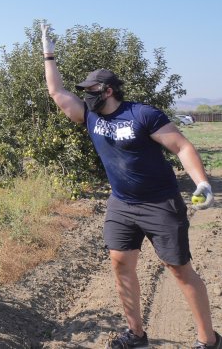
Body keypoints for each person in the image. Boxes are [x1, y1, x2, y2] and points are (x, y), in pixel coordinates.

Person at [40, 22, 219, 349]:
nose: (85, 95)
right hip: (122, 204)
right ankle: (136, 334)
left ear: (108, 91)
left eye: (91, 90)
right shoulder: (91, 118)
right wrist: (48, 54)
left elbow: (182, 147)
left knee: (178, 270)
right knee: (120, 263)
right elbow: (57, 93)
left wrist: (202, 183)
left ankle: (208, 339)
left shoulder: (142, 115)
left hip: (160, 203)